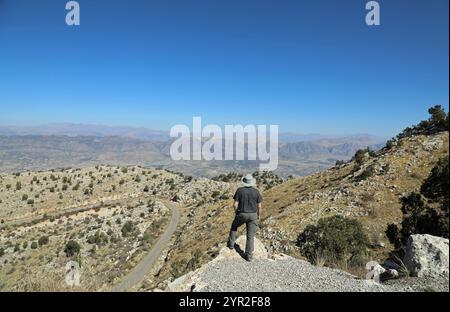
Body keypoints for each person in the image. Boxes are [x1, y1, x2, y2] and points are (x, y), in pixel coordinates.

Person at [227, 174, 262, 262]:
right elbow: (259, 206)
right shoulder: (256, 192)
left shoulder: (240, 190)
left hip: (242, 214)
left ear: (244, 182)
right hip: (253, 215)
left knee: (234, 227)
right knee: (250, 236)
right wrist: (258, 215)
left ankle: (231, 245)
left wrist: (236, 212)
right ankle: (249, 255)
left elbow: (235, 204)